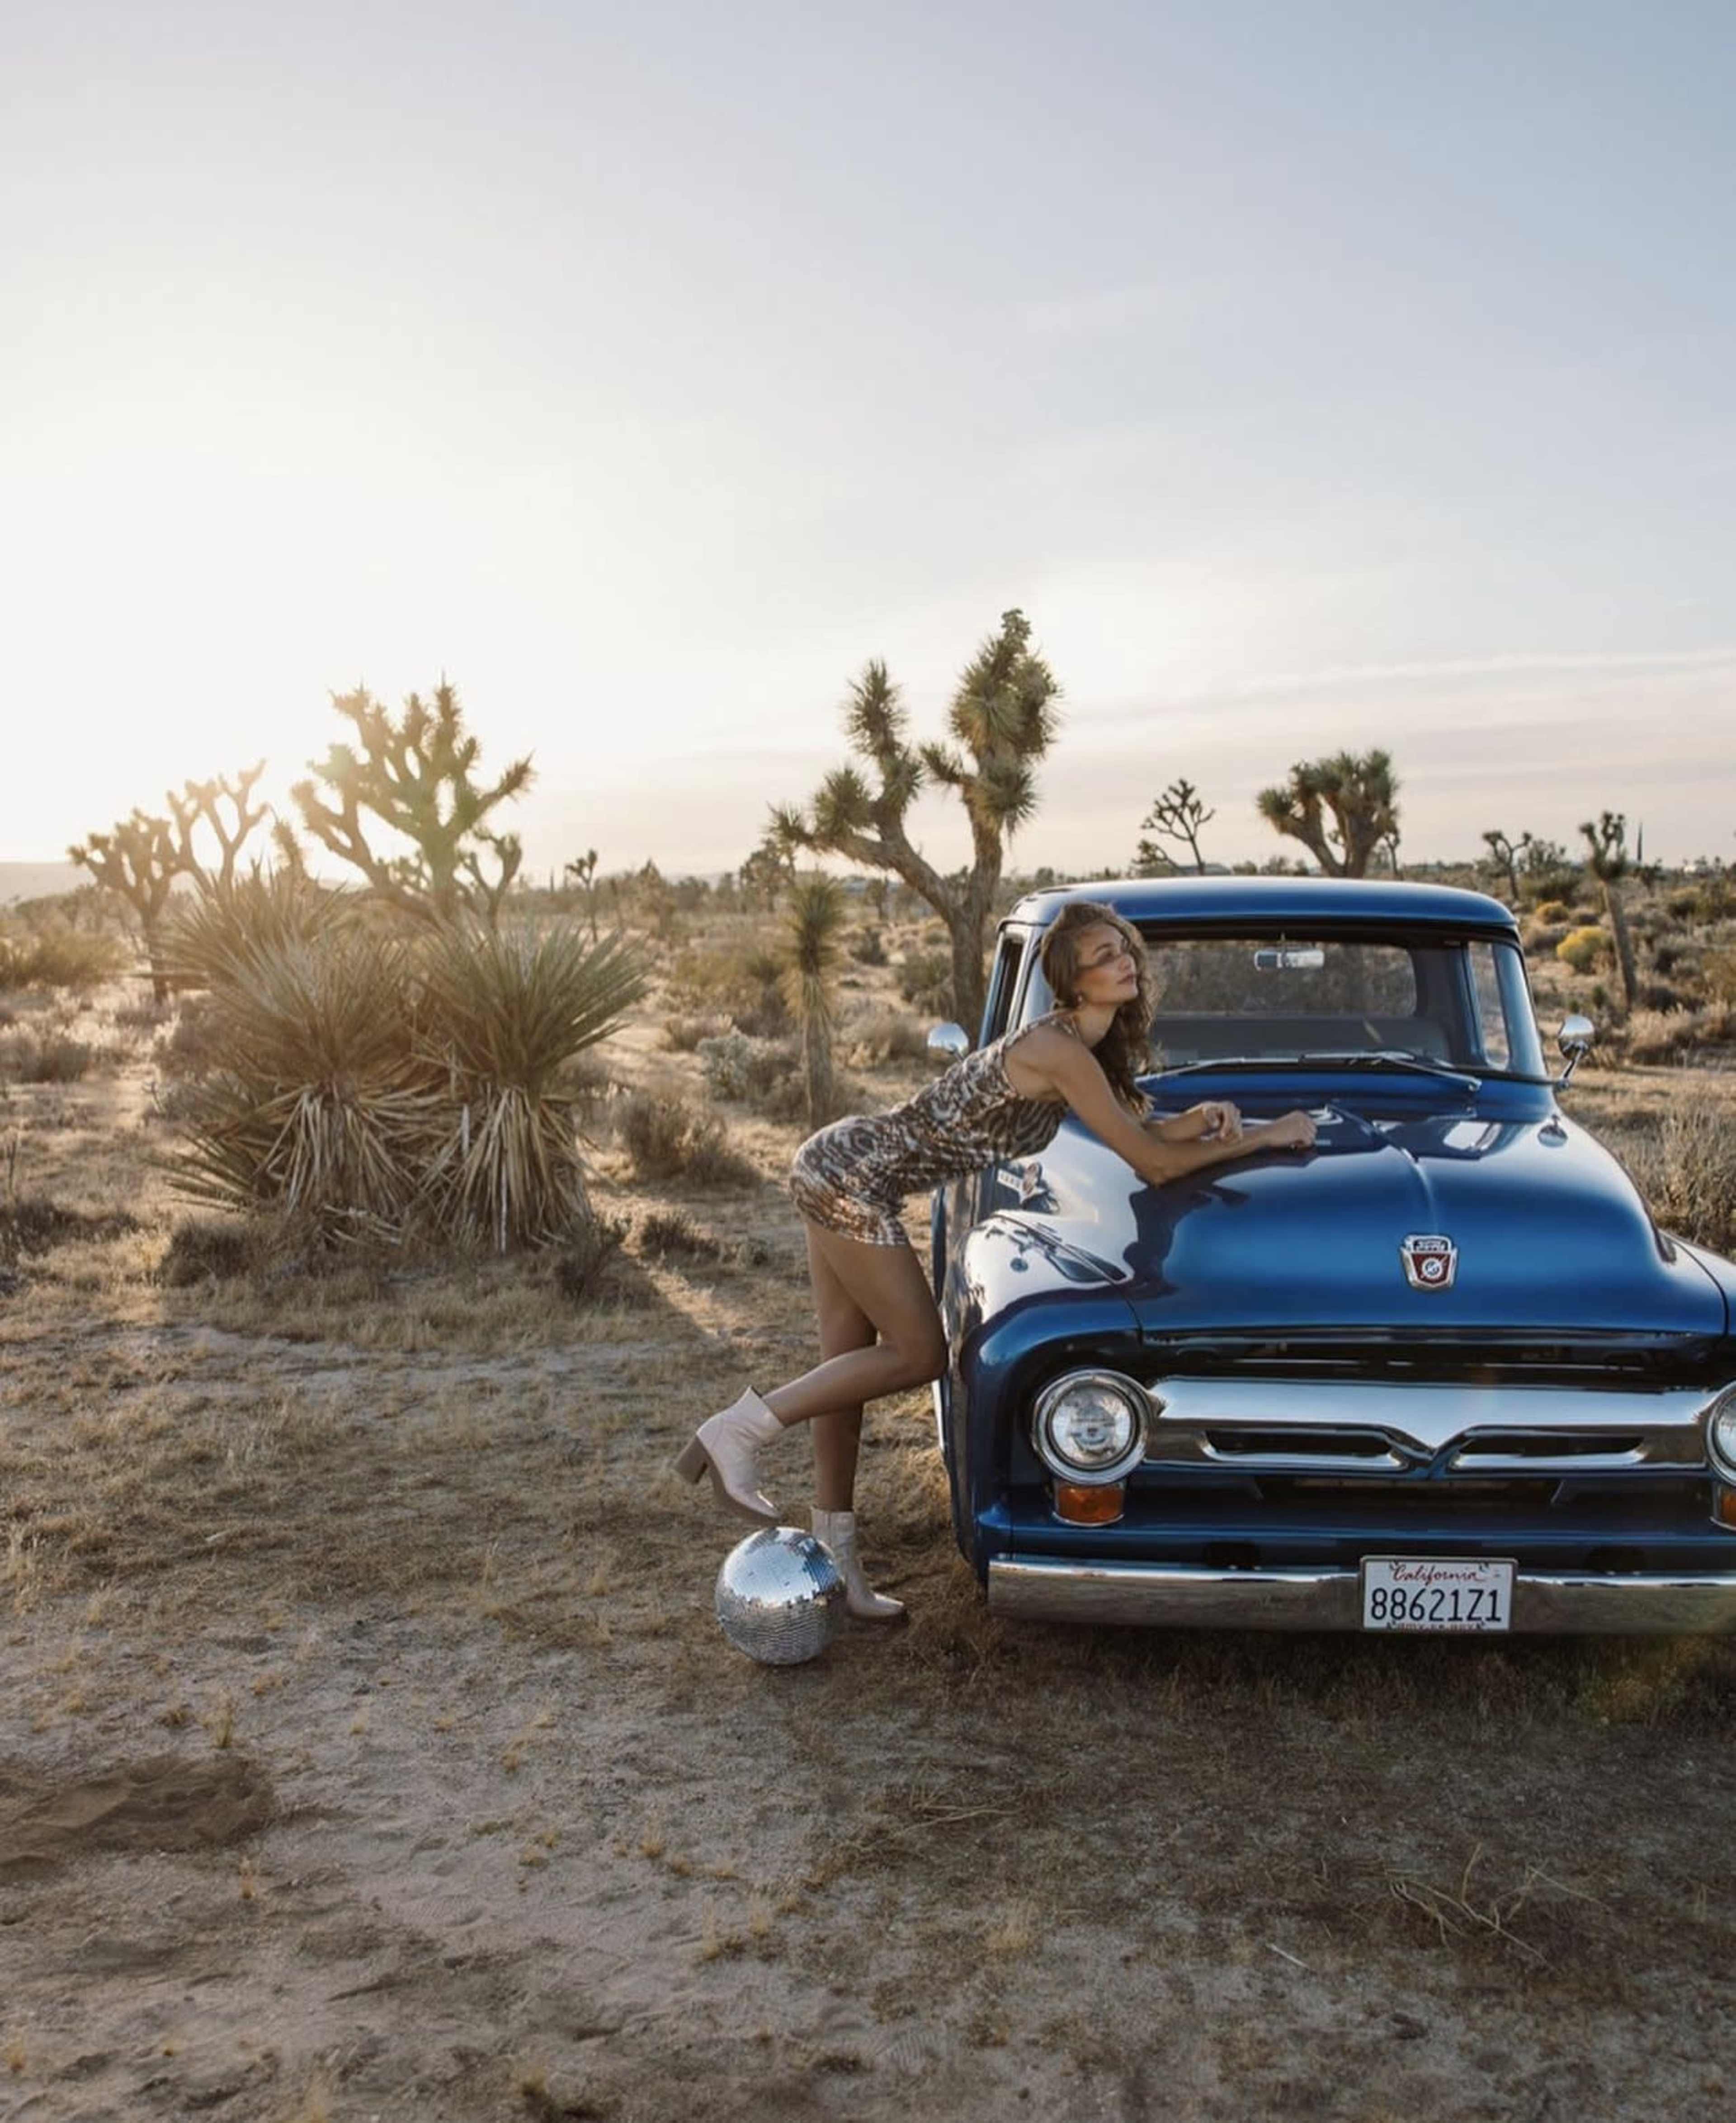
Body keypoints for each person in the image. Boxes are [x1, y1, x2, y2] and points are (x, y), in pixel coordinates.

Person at [674, 899, 1317, 1618]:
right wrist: (1266, 1136)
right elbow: (1154, 1167)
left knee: (846, 1373)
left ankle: (837, 1564)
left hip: (845, 1162)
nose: (1123, 962)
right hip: (852, 1174)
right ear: (1073, 982)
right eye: (1103, 956)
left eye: (1124, 949)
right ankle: (738, 1430)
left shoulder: (1081, 1048)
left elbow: (1141, 1134)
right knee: (919, 1354)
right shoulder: (1059, 1048)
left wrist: (1202, 1121)